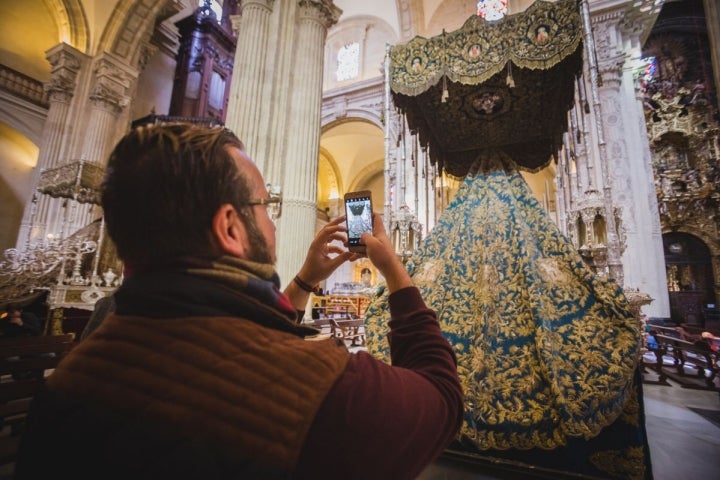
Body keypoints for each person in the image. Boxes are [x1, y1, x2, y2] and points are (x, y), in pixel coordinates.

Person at [15, 123, 463, 480]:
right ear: (230, 227)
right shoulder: (319, 387)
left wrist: (305, 280)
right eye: (265, 206)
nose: (272, 224)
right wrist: (397, 274)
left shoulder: (76, 367)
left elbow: (243, 329)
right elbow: (441, 398)